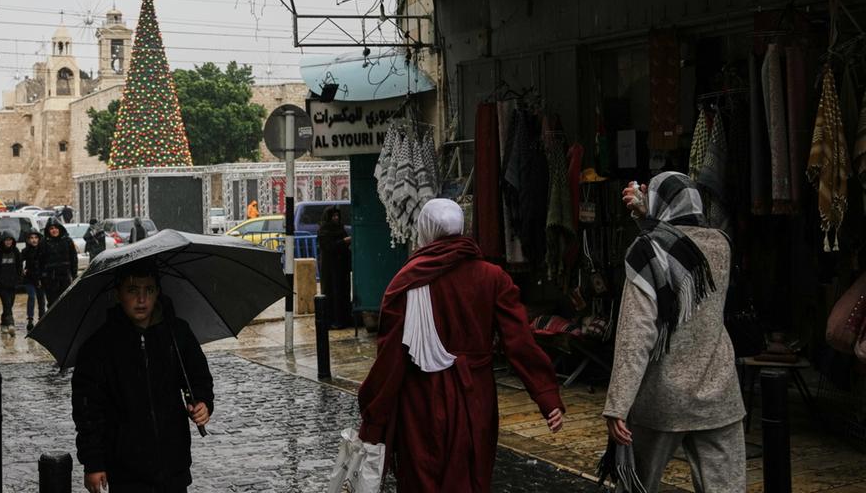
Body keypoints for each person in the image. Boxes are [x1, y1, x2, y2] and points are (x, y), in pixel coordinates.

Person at [357, 198, 565, 492]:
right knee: (470, 476)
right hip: (474, 398)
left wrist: (373, 419)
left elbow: (391, 359)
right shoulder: (493, 278)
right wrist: (547, 396)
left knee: (422, 478)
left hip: (421, 401)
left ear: (425, 229)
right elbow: (519, 342)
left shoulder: (406, 281)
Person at [602, 173, 744, 492]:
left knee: (636, 484)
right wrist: (648, 212)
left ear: (659, 204)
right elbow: (677, 247)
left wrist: (617, 404)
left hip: (662, 398)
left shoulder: (645, 252)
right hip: (719, 394)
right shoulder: (721, 244)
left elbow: (635, 335)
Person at [72, 261, 214, 493]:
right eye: (132, 290)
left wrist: (202, 402)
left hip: (173, 465)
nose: (141, 299)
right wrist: (93, 462)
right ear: (118, 294)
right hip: (126, 470)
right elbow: (88, 410)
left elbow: (199, 378)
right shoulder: (99, 347)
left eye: (148, 289)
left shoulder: (177, 333)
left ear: (158, 291)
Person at [316, 207, 353, 329]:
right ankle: (333, 320)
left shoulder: (340, 228)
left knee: (342, 293)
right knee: (332, 293)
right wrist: (343, 241)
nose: (336, 218)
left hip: (341, 267)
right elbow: (328, 247)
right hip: (330, 268)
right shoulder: (324, 231)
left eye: (337, 216)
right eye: (333, 216)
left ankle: (343, 319)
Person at [0, 232, 23, 334]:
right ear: (3, 241)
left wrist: (18, 279)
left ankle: (3, 323)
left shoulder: (16, 252)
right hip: (2, 285)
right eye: (6, 240)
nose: (8, 242)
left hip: (12, 284)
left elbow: (19, 266)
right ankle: (11, 324)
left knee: (9, 304)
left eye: (10, 240)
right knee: (7, 304)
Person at [41, 220, 79, 305]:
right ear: (48, 230)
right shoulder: (44, 243)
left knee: (65, 301)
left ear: (60, 228)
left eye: (56, 228)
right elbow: (41, 261)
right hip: (50, 279)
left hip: (65, 277)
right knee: (52, 303)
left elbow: (73, 258)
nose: (54, 230)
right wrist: (43, 277)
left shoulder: (67, 241)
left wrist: (74, 274)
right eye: (51, 228)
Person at [21, 230, 48, 331]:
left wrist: (44, 276)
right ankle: (30, 319)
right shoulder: (25, 251)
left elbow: (46, 264)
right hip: (29, 279)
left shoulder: (43, 250)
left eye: (36, 238)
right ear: (28, 240)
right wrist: (22, 270)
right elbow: (20, 262)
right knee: (31, 297)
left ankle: (42, 319)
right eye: (31, 238)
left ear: (39, 239)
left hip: (40, 278)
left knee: (41, 300)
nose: (34, 240)